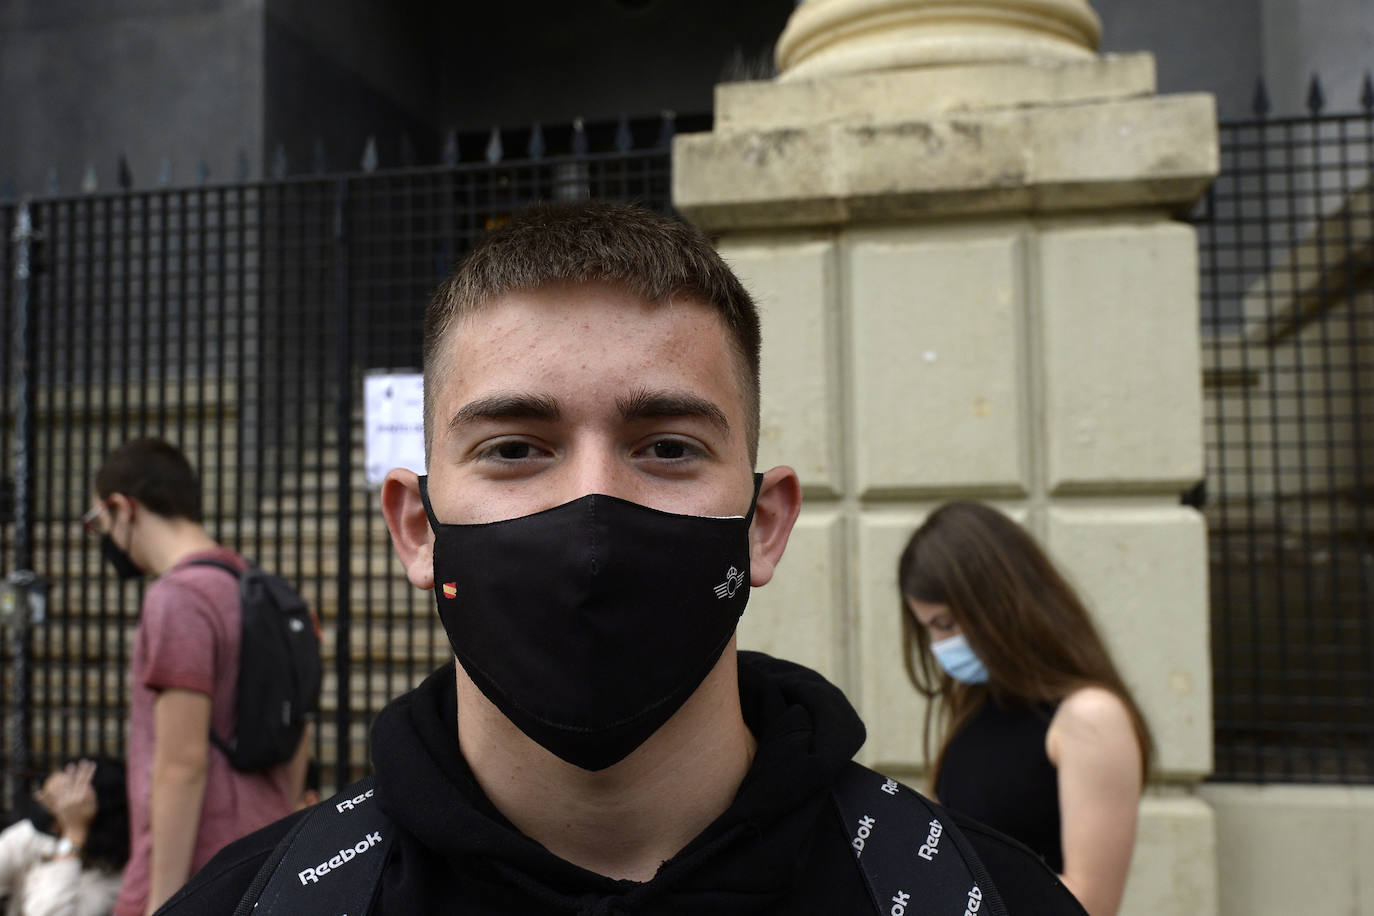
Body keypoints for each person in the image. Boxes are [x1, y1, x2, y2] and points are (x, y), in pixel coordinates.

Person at [156, 202, 1086, 915]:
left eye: (668, 447)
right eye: (516, 448)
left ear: (764, 523)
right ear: (415, 526)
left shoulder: (972, 898)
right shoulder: (256, 902)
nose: (591, 512)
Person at [83, 439, 309, 915]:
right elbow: (299, 729)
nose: (103, 539)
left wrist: (163, 899)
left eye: (97, 524)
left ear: (123, 508)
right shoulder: (268, 591)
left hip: (195, 871)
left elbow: (181, 764)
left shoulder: (179, 597)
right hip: (265, 856)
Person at [897, 502, 1152, 916]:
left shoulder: (1089, 716)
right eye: (932, 629)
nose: (942, 645)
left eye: (946, 624)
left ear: (999, 604)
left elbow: (1090, 903)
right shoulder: (976, 704)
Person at [0, 757, 128, 916]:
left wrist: (74, 834)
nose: (41, 799)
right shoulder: (40, 837)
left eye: (53, 800)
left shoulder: (113, 879)